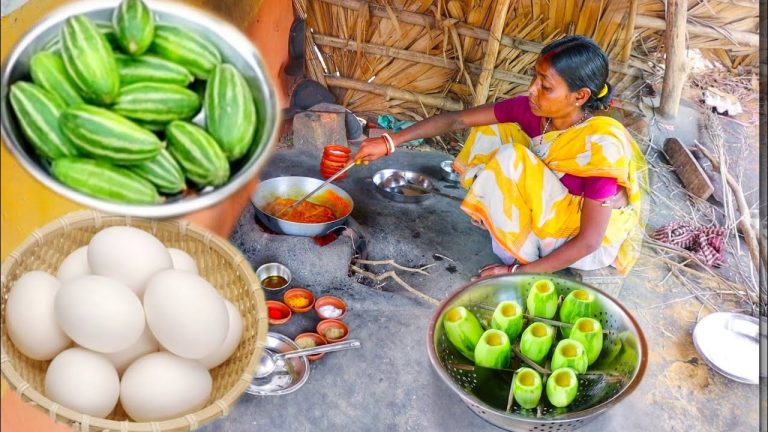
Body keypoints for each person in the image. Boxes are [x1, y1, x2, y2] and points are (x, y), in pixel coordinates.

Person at [353, 35, 647, 279]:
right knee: (493, 130)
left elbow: (589, 241)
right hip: (550, 218)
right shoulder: (531, 111)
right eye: (535, 77)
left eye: (545, 86)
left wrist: (516, 271)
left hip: (578, 244)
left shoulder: (601, 147)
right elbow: (457, 120)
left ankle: (523, 253)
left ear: (580, 96)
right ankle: (505, 221)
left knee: (511, 158)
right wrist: (390, 141)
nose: (532, 89)